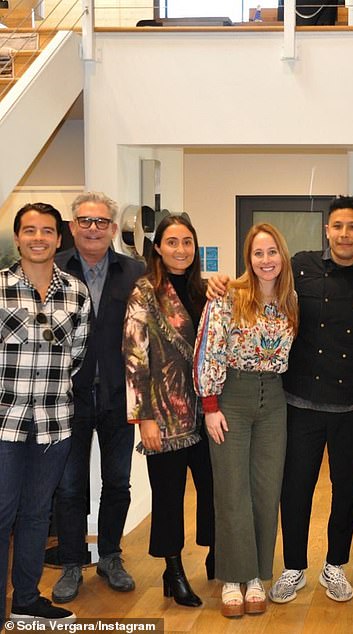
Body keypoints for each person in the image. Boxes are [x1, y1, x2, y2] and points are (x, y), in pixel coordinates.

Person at [208, 196, 353, 604]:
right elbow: (259, 280)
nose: (345, 234)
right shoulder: (302, 267)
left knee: (347, 490)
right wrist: (219, 281)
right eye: (338, 226)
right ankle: (292, 567)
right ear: (327, 230)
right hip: (301, 401)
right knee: (294, 489)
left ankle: (335, 567)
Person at [193, 223, 298, 618]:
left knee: (266, 490)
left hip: (273, 399)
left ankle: (256, 575)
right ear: (248, 258)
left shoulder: (291, 300)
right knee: (232, 489)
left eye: (272, 252)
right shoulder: (228, 297)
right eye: (258, 253)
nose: (266, 260)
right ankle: (233, 579)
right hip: (230, 397)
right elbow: (208, 349)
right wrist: (210, 405)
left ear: (282, 256)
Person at [0, 203, 90, 628]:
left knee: (37, 514)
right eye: (30, 230)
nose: (39, 237)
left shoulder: (75, 291)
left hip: (54, 424)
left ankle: (26, 601)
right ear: (17, 237)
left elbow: (76, 356)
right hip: (5, 425)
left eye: (47, 231)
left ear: (59, 239)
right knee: (1, 513)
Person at [52, 192, 144, 604]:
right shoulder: (53, 268)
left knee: (118, 482)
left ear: (111, 228)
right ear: (72, 227)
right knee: (70, 487)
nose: (93, 228)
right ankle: (72, 563)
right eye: (85, 221)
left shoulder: (135, 272)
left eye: (101, 222)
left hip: (118, 397)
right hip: (66, 399)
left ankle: (109, 556)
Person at [123, 215, 214, 608]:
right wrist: (143, 417)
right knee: (169, 497)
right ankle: (173, 571)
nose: (181, 249)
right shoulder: (144, 292)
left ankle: (218, 554)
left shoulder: (205, 290)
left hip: (207, 412)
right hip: (163, 415)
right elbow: (133, 356)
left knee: (214, 489)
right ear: (157, 247)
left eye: (188, 242)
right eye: (172, 242)